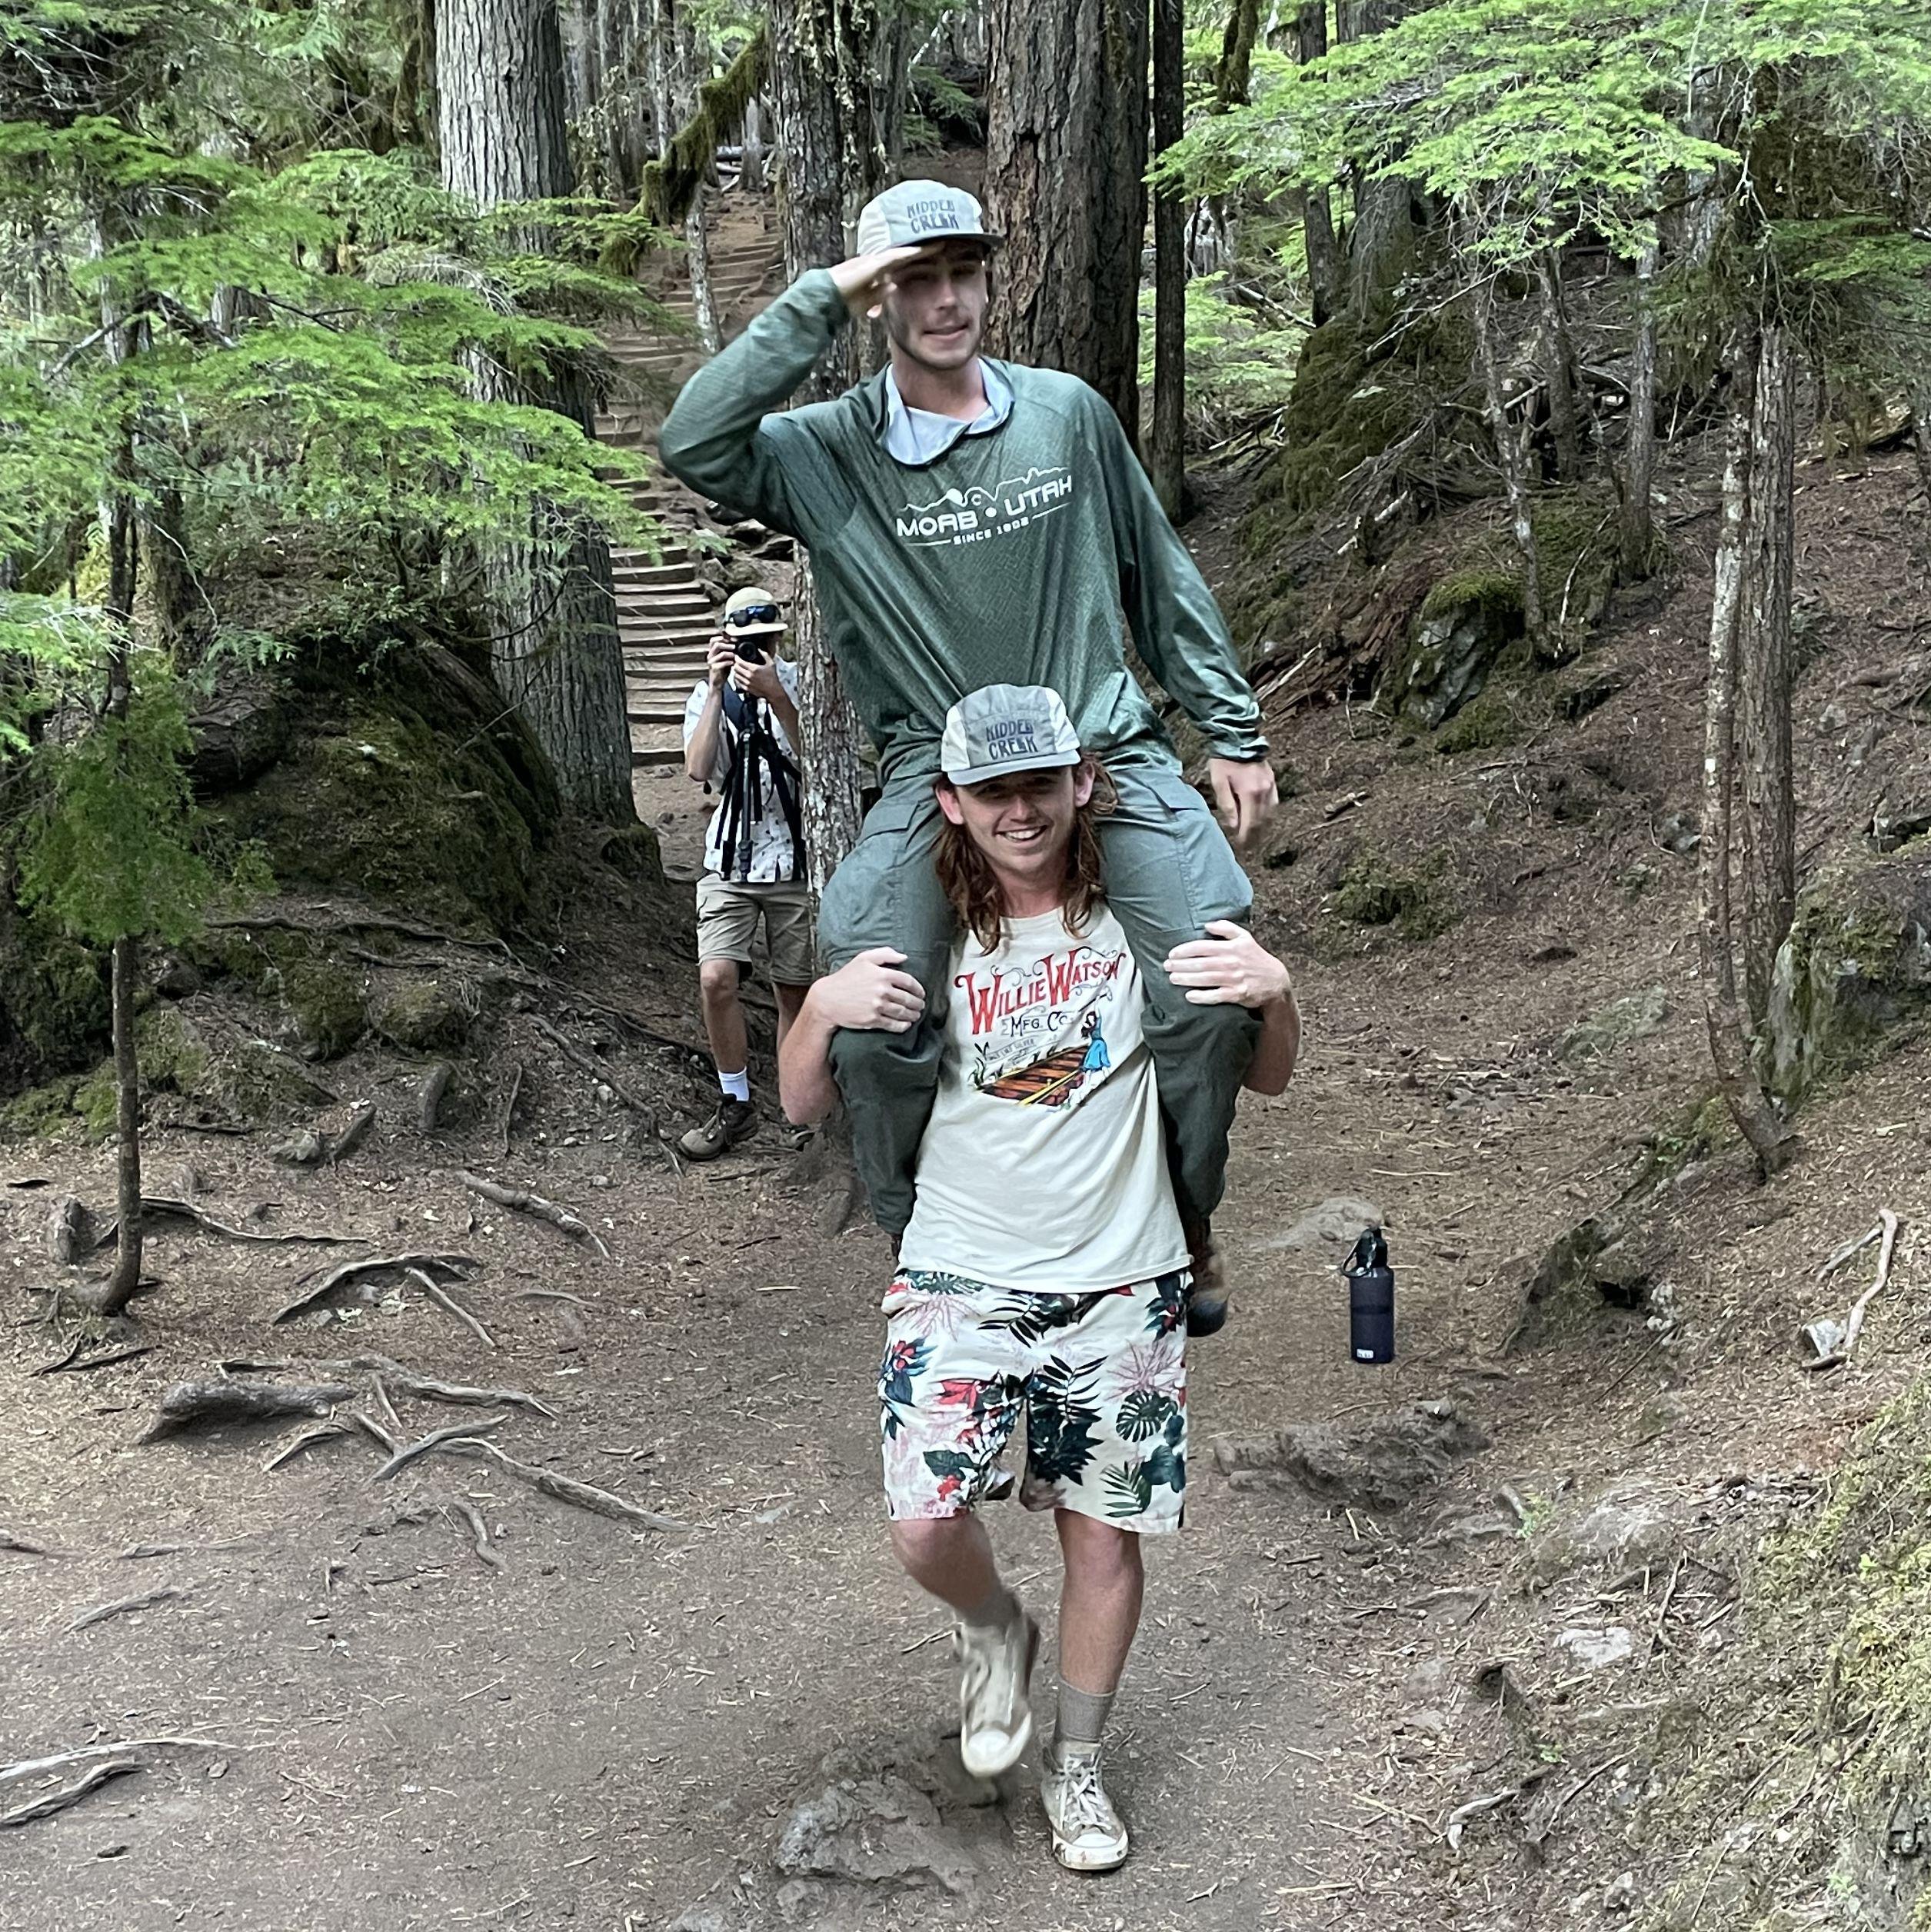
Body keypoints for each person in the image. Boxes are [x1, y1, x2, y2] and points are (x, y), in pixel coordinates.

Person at [661, 178, 1278, 1327]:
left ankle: (1186, 1216)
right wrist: (828, 293)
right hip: (933, 775)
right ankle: (916, 1238)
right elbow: (692, 435)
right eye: (915, 279)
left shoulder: (1064, 416)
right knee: (871, 1002)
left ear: (990, 279)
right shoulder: (826, 453)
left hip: (1101, 748)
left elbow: (1155, 570)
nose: (946, 300)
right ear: (878, 297)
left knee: (1208, 988)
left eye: (962, 272)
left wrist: (1230, 730)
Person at [778, 686, 1300, 1872]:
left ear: (1081, 785)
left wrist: (1275, 993)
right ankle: (992, 1629)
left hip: (1122, 1275)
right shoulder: (926, 941)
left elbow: (1266, 1075)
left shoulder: (1141, 927)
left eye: (1038, 786)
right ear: (949, 804)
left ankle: (1076, 1764)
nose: (1019, 812)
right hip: (957, 1270)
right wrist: (819, 1009)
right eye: (992, 792)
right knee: (924, 1526)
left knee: (1101, 1539)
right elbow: (804, 1103)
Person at [677, 586, 814, 1160]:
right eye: (743, 642)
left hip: (795, 858)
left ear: (779, 637)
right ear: (725, 641)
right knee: (716, 978)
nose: (755, 651)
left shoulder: (803, 683)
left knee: (795, 992)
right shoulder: (709, 693)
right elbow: (697, 769)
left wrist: (778, 695)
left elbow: (819, 760)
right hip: (730, 858)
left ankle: (800, 1109)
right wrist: (715, 690)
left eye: (764, 640)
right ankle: (735, 1101)